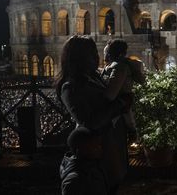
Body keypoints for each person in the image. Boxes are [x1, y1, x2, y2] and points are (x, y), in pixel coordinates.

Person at [56, 35, 131, 195]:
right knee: (103, 186)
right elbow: (89, 121)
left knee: (113, 184)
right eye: (92, 53)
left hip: (110, 143)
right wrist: (120, 104)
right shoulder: (69, 87)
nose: (97, 57)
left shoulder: (95, 76)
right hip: (95, 150)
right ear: (79, 58)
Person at [102, 38, 145, 131]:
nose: (104, 55)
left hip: (117, 114)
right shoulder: (113, 67)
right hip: (119, 110)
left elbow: (110, 94)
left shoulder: (119, 68)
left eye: (106, 52)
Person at [60, 126, 108, 195]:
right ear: (80, 150)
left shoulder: (94, 166)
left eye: (99, 144)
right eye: (94, 146)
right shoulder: (74, 180)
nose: (99, 148)